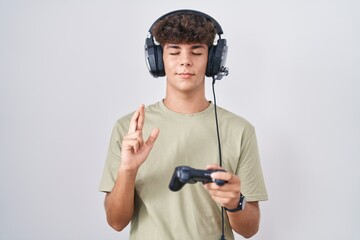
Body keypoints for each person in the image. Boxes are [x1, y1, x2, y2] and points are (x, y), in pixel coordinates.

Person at [99, 9, 268, 240]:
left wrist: (234, 202)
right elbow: (116, 222)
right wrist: (128, 170)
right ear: (158, 60)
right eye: (174, 51)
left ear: (213, 60)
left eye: (197, 51)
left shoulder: (240, 130)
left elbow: (250, 229)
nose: (185, 61)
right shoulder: (129, 128)